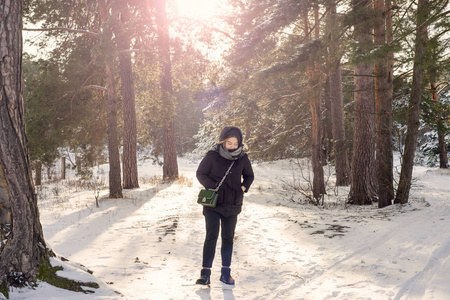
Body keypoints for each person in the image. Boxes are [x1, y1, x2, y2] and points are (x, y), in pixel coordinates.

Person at [195, 126, 254, 286]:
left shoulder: (242, 158)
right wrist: (213, 185)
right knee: (211, 236)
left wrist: (243, 187)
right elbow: (200, 173)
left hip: (233, 205)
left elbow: (249, 175)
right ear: (223, 141)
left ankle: (225, 274)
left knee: (228, 238)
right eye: (229, 143)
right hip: (213, 204)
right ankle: (205, 274)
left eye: (236, 143)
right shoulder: (212, 156)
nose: (233, 146)